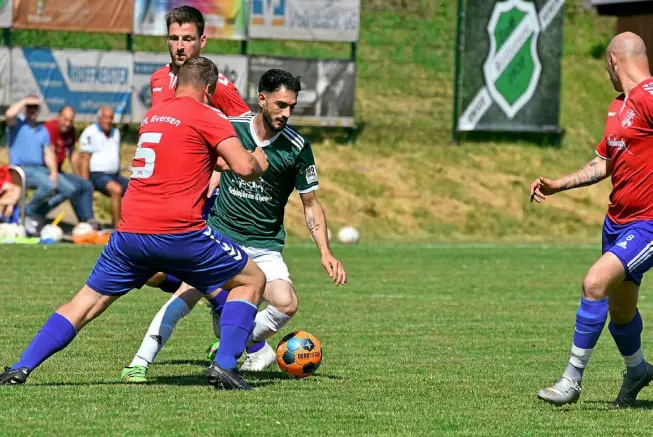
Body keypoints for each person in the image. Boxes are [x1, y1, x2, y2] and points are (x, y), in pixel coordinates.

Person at [0, 57, 269, 390]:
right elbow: (244, 166)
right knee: (252, 279)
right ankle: (226, 365)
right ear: (210, 89)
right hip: (179, 232)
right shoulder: (209, 114)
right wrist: (259, 160)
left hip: (129, 232)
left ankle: (20, 368)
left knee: (85, 303)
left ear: (174, 84)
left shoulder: (154, 115)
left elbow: (185, 158)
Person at [120, 69, 347, 382]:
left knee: (286, 303)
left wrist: (325, 252)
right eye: (280, 104)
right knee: (187, 293)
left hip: (265, 245)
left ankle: (235, 340)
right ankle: (139, 362)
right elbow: (210, 168)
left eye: (292, 106)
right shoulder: (231, 128)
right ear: (262, 99)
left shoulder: (297, 147)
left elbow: (311, 204)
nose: (286, 113)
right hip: (221, 235)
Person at [532, 32, 653, 408]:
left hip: (647, 224)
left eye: (606, 68)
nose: (608, 76)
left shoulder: (650, 96)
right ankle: (638, 371)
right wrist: (558, 185)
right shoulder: (618, 107)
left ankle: (571, 380)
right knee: (621, 313)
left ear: (614, 62)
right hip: (616, 222)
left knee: (594, 283)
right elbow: (602, 163)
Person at [145, 5, 252, 294]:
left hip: (202, 195)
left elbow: (247, 131)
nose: (180, 46)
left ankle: (241, 327)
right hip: (164, 191)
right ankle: (228, 310)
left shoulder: (217, 85)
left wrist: (220, 173)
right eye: (174, 38)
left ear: (202, 41)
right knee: (148, 270)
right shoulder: (157, 80)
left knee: (191, 268)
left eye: (188, 38)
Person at [6, 97, 95, 232]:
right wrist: (25, 101)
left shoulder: (42, 129)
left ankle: (35, 213)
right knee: (49, 186)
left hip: (41, 169)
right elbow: (9, 114)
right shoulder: (17, 124)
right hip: (22, 168)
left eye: (35, 107)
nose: (32, 110)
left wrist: (53, 172)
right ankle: (27, 213)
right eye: (29, 107)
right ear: (24, 108)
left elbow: (48, 153)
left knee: (69, 190)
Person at [78, 106, 130, 227]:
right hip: (97, 174)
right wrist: (86, 184)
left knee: (136, 189)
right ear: (99, 118)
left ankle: (134, 223)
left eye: (111, 118)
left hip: (114, 174)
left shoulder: (116, 133)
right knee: (116, 190)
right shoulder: (90, 132)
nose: (108, 121)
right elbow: (84, 158)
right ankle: (117, 226)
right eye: (106, 118)